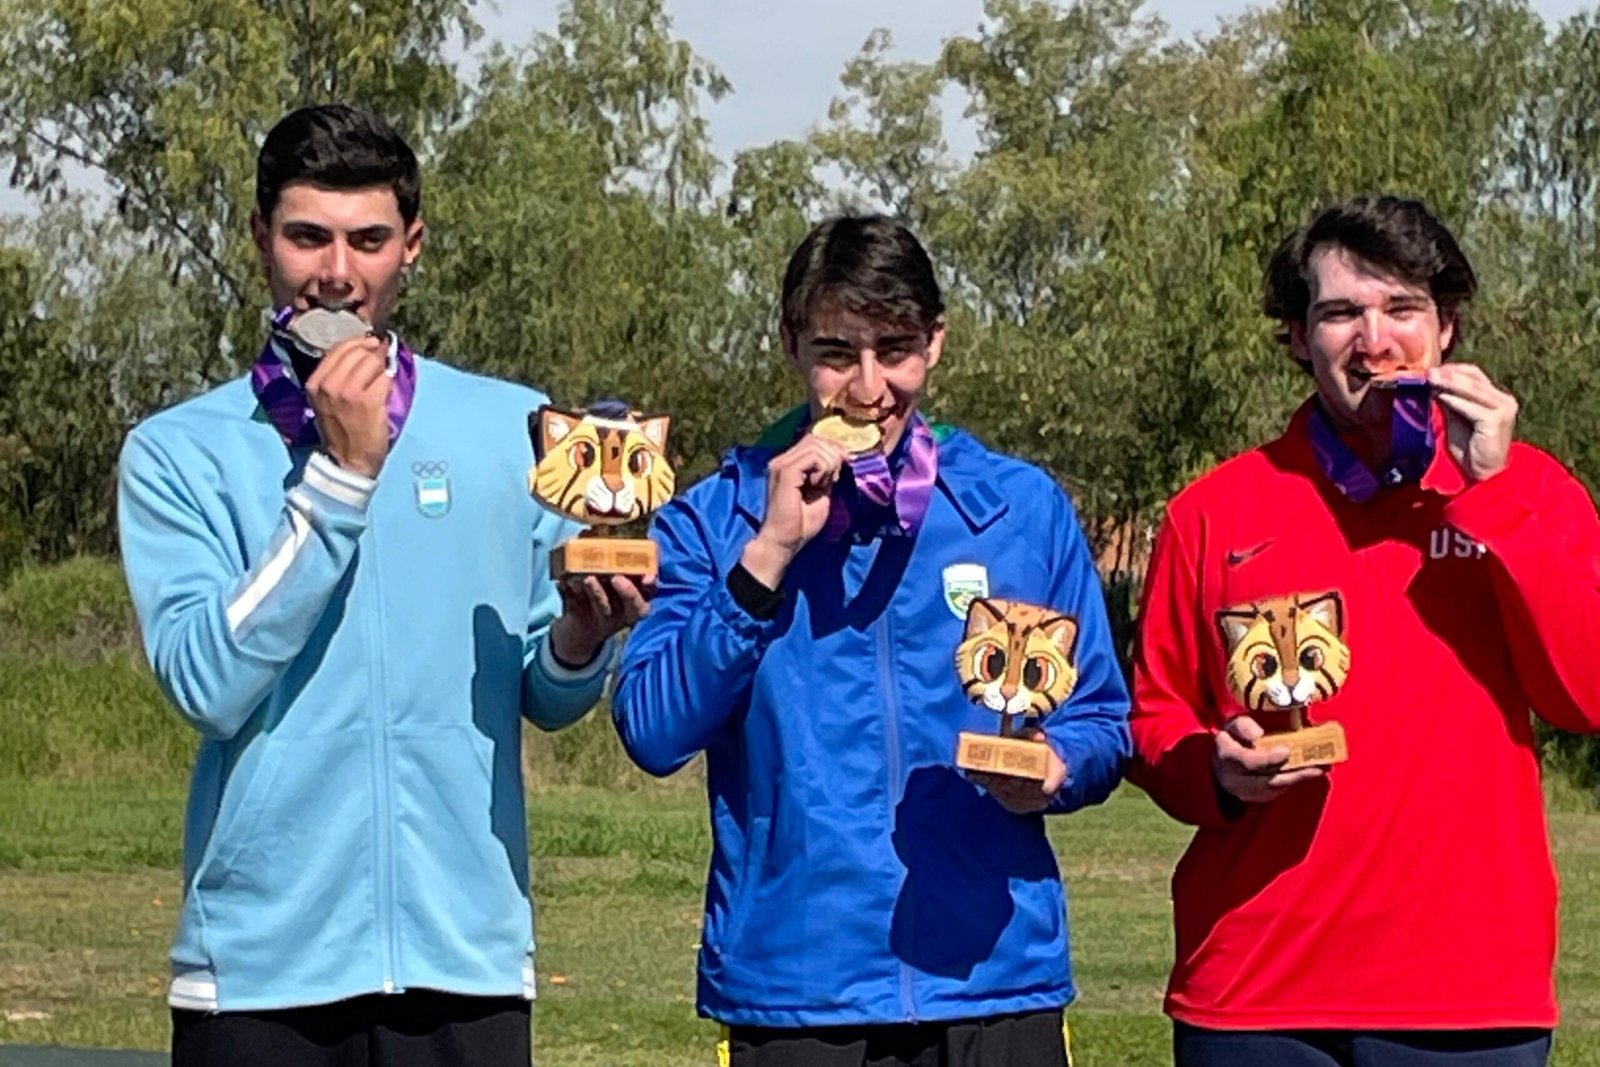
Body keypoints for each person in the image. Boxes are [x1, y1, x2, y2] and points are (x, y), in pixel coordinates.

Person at [117, 103, 648, 1066]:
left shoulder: (512, 427)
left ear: (412, 245)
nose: (336, 272)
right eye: (306, 236)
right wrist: (340, 479)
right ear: (260, 241)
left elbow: (546, 688)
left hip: (464, 961)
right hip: (259, 973)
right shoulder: (177, 451)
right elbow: (204, 684)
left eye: (368, 240)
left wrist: (580, 637)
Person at [612, 214, 1131, 1067]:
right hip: (796, 987)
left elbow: (1105, 718)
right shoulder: (716, 517)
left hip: (992, 978)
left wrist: (1057, 767)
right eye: (836, 353)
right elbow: (654, 729)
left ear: (936, 340)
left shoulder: (1018, 508)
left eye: (894, 349)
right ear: (789, 344)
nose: (867, 388)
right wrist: (768, 556)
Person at [1130, 194, 1600, 1067]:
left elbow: (1585, 694)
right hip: (1254, 991)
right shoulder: (1214, 510)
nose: (1373, 340)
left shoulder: (1532, 490)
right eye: (1342, 311)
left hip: (1468, 994)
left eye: (1402, 309)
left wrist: (1490, 493)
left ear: (1447, 329)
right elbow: (1154, 721)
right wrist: (1217, 772)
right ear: (1300, 338)